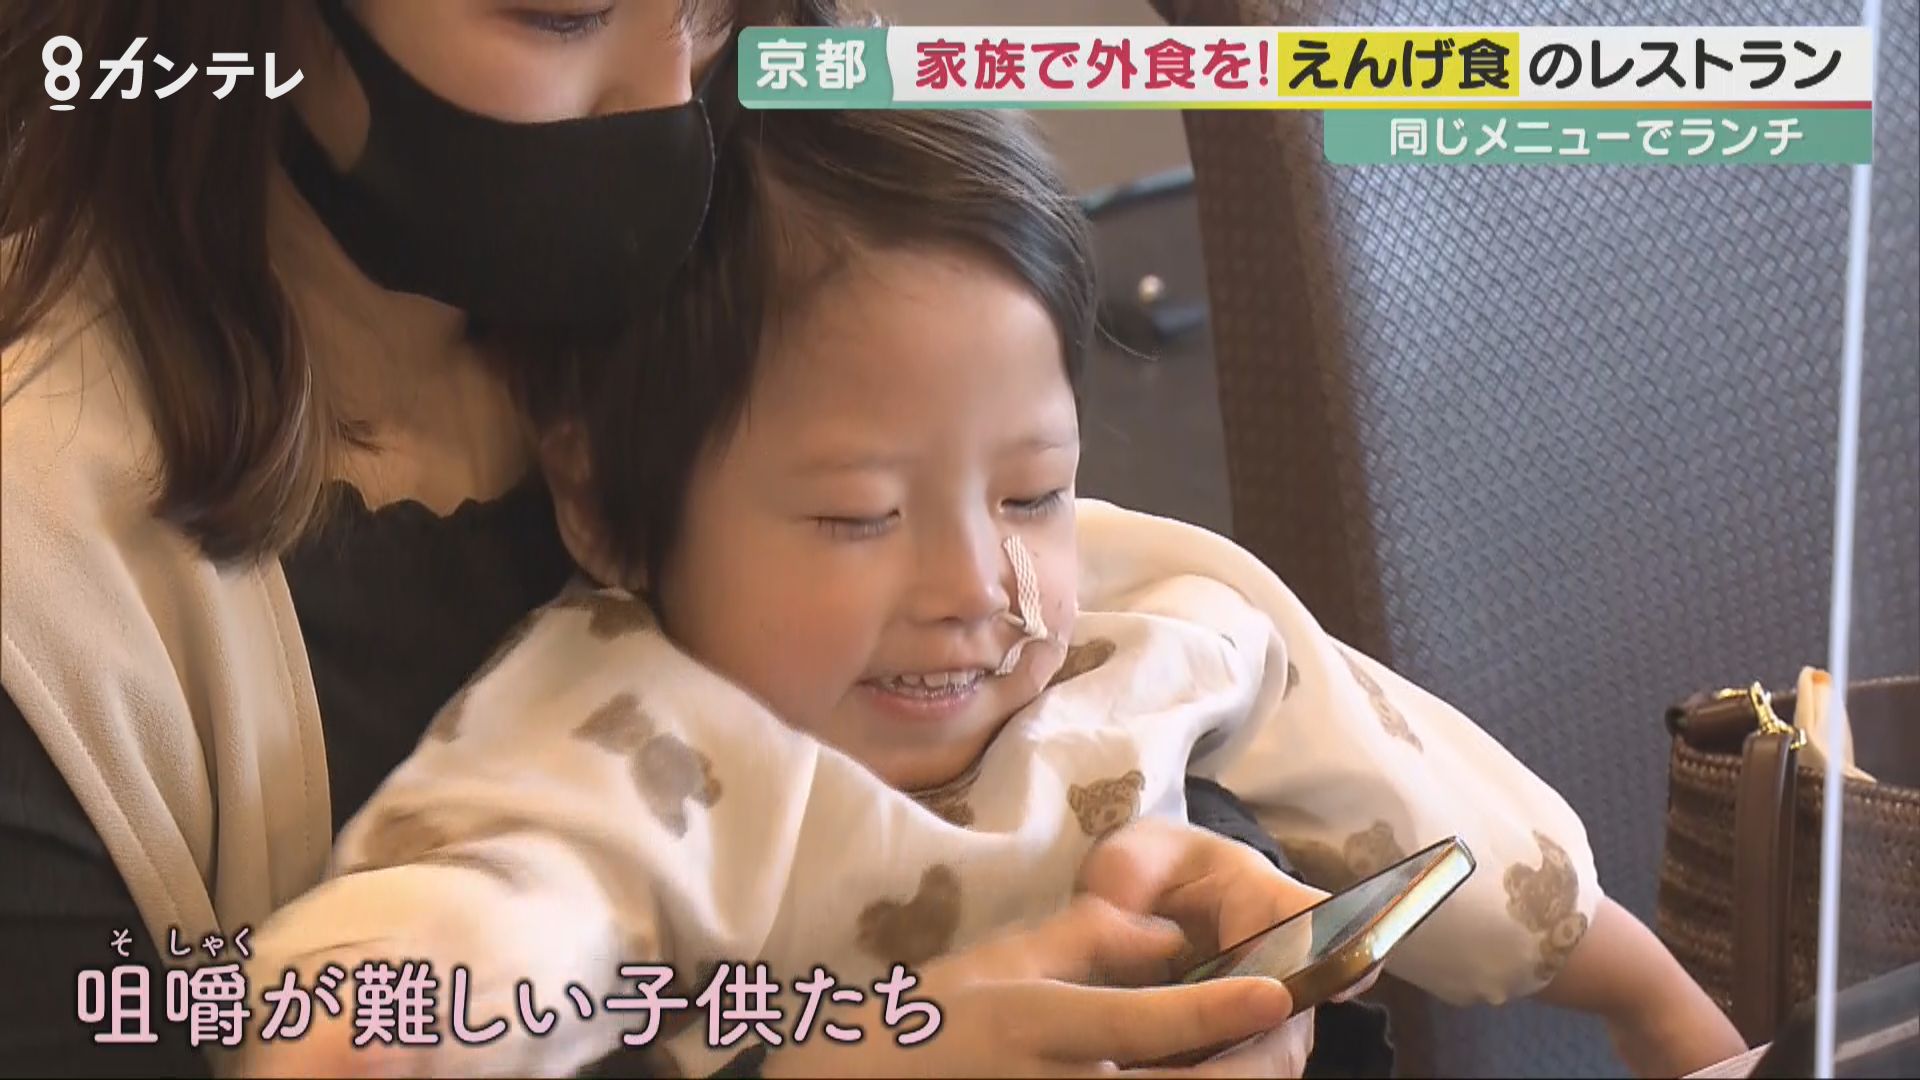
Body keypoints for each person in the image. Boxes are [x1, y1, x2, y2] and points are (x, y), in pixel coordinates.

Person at [235, 100, 1743, 1078]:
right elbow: (482, 912)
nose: (978, 586)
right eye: (856, 515)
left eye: (1032, 493)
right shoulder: (631, 737)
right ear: (599, 496)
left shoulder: (1141, 610)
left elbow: (1426, 806)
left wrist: (1661, 1011)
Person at [1, 2, 1330, 1076]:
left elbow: (1042, 669)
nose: (672, 100)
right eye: (564, 15)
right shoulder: (47, 579)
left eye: (708, 6)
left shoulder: (790, 235)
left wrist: (1177, 871)